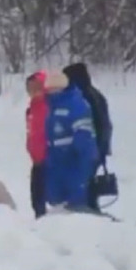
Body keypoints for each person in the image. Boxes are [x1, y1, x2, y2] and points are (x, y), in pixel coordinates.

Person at [43, 70, 99, 212]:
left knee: (76, 200)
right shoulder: (51, 106)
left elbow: (84, 136)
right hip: (55, 162)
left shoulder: (75, 104)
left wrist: (81, 156)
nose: (51, 92)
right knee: (55, 199)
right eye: (49, 89)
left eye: (54, 89)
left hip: (73, 161)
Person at [62, 62, 114, 211]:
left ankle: (87, 212)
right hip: (99, 146)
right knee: (89, 184)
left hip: (89, 147)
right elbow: (106, 124)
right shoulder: (96, 94)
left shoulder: (80, 97)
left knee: (83, 185)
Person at [25, 71, 48, 218]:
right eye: (30, 89)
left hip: (48, 158)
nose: (34, 92)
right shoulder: (31, 109)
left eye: (37, 88)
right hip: (36, 159)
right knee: (36, 196)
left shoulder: (49, 105)